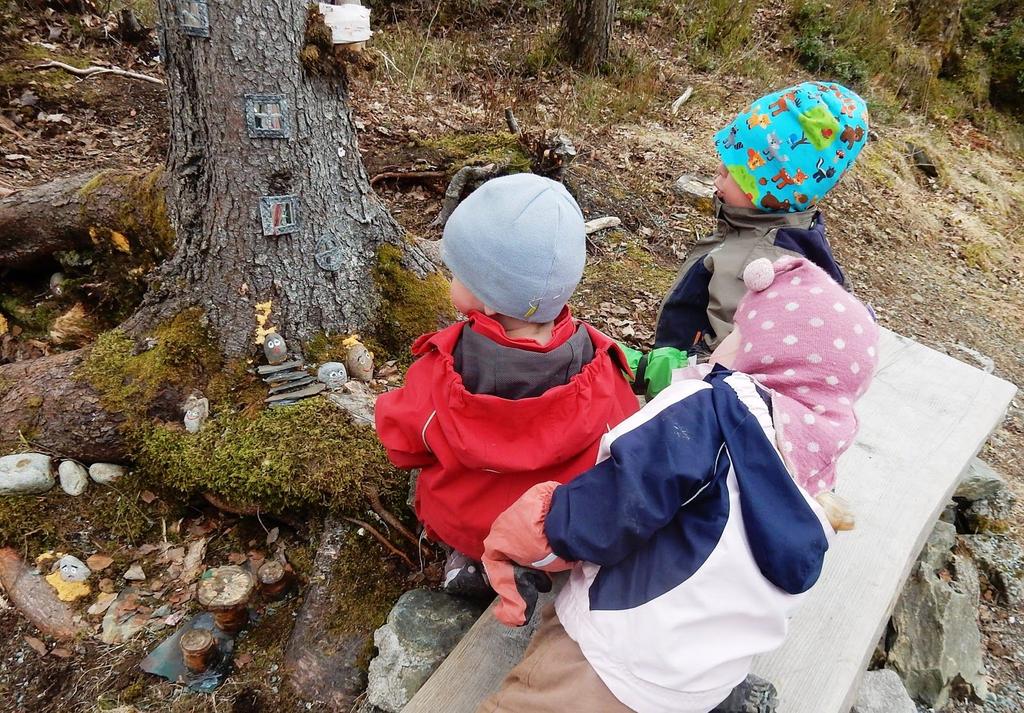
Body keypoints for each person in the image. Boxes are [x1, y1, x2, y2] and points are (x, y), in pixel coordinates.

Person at [479, 255, 879, 713]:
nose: (721, 345)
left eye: (738, 334)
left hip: (615, 656)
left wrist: (536, 532)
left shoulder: (711, 411)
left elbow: (620, 497)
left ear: (768, 355)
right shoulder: (817, 473)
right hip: (701, 686)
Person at [374, 173, 639, 596]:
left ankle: (466, 559)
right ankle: (537, 564)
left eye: (457, 273)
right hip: (554, 527)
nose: (449, 280)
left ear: (489, 297)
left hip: (471, 521)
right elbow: (626, 439)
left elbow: (402, 445)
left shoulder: (442, 368)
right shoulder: (602, 369)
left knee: (445, 498)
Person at [655, 81, 869, 355]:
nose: (719, 169)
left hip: (690, 392)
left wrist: (663, 375)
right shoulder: (771, 230)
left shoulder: (759, 266)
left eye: (735, 168)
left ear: (768, 189)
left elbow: (726, 366)